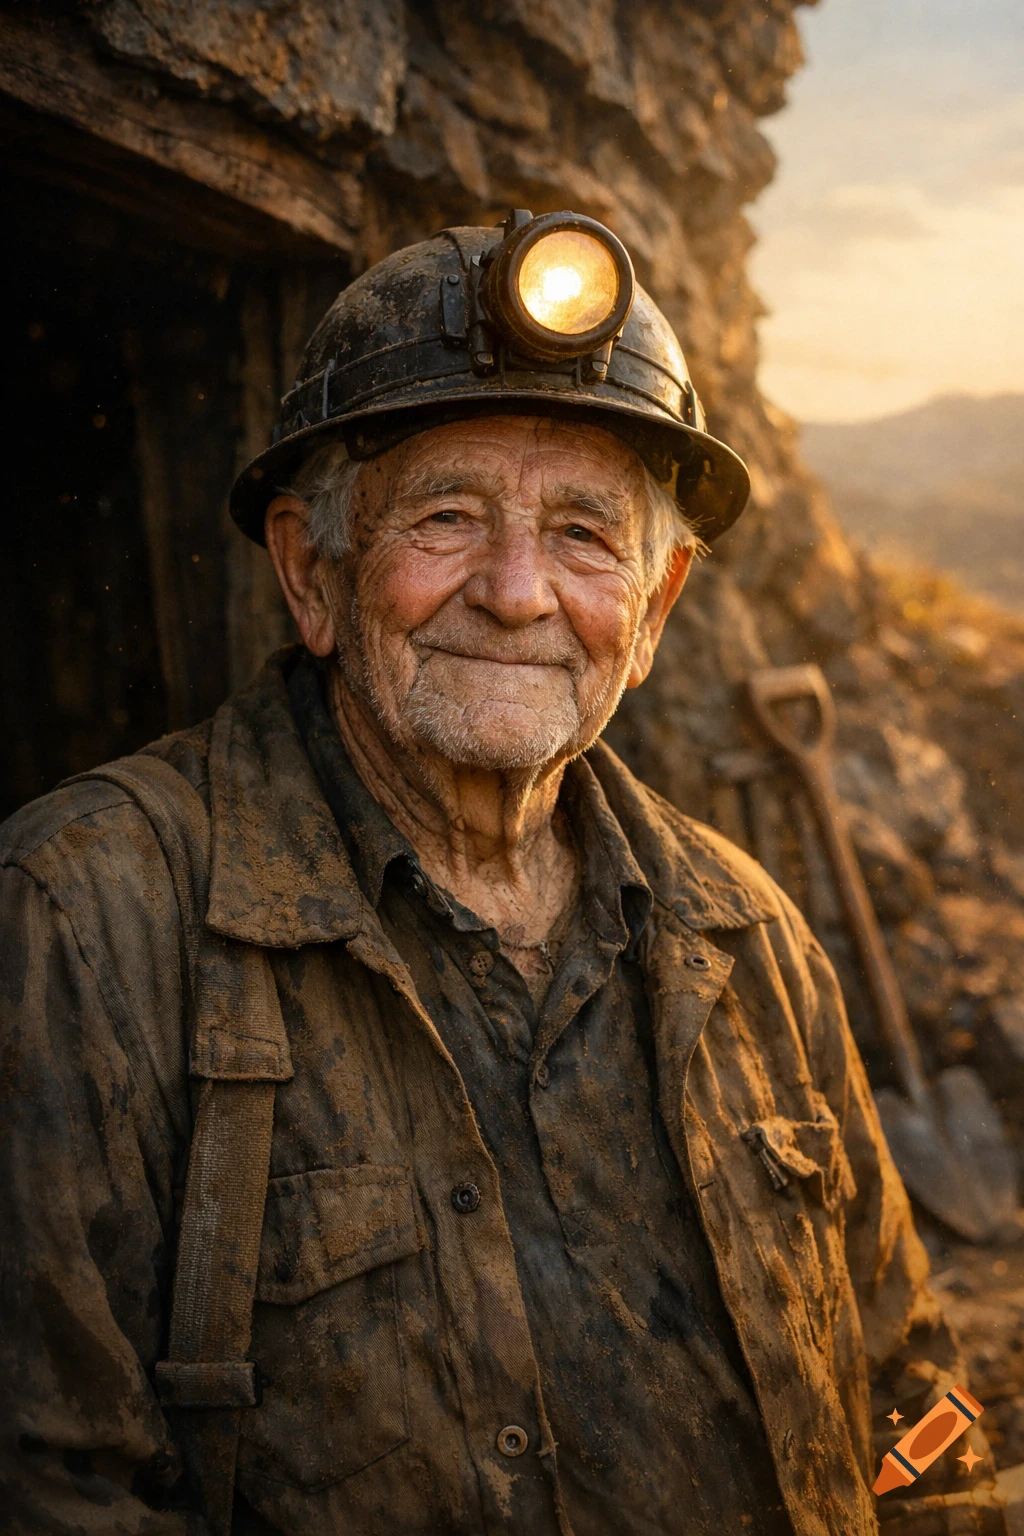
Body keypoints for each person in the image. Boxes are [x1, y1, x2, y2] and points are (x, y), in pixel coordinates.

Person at [0, 213, 1001, 1536]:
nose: (519, 591)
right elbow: (49, 1489)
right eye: (450, 514)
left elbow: (910, 1415)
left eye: (586, 533)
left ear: (654, 612)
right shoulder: (84, 917)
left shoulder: (752, 939)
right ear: (312, 572)